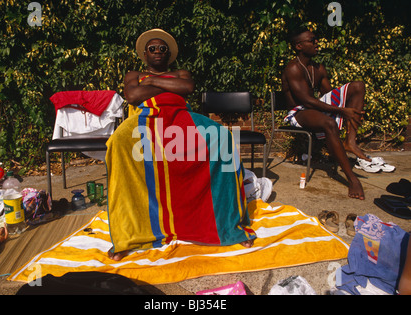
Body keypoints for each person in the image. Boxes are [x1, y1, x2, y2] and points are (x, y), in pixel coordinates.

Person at [106, 29, 256, 261]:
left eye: (162, 49)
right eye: (152, 48)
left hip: (182, 118)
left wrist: (153, 81)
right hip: (146, 119)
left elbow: (187, 88)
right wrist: (168, 84)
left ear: (169, 54)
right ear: (145, 54)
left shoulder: (181, 72)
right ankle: (127, 234)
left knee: (224, 138)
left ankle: (229, 222)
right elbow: (133, 96)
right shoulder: (134, 73)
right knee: (118, 142)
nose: (157, 51)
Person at [282, 27, 394, 200]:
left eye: (316, 39)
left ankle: (350, 141)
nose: (316, 43)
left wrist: (349, 108)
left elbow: (329, 95)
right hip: (299, 112)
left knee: (358, 86)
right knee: (329, 123)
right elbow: (306, 101)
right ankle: (352, 179)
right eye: (312, 40)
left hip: (314, 107)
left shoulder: (318, 68)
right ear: (299, 46)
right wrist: (343, 111)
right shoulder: (293, 68)